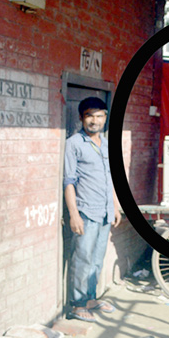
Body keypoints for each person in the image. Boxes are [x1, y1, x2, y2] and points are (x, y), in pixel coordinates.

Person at [63, 97, 122, 323]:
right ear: (81, 117)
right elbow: (68, 182)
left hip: (105, 211)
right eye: (89, 116)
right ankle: (77, 305)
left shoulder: (108, 144)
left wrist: (115, 207)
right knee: (82, 258)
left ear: (105, 118)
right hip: (86, 211)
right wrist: (74, 214)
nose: (94, 121)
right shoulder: (74, 143)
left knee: (97, 258)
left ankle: (90, 298)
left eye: (99, 116)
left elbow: (112, 178)